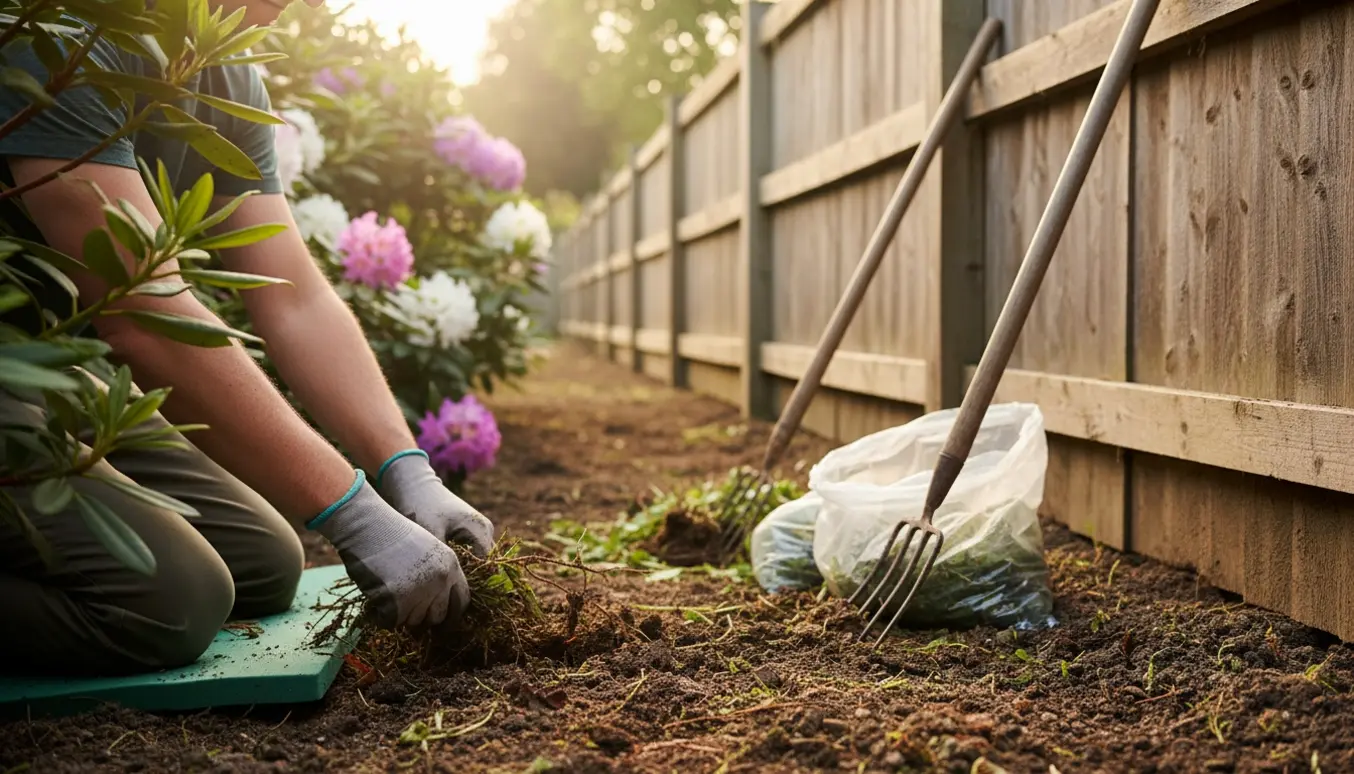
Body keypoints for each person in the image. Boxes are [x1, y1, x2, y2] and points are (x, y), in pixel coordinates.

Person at [0, 0, 494, 676]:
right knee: (171, 602)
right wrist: (353, 515)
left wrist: (406, 472)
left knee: (263, 563)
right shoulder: (70, 35)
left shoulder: (223, 66)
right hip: (14, 362)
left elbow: (295, 297)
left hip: (49, 367)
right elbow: (143, 315)